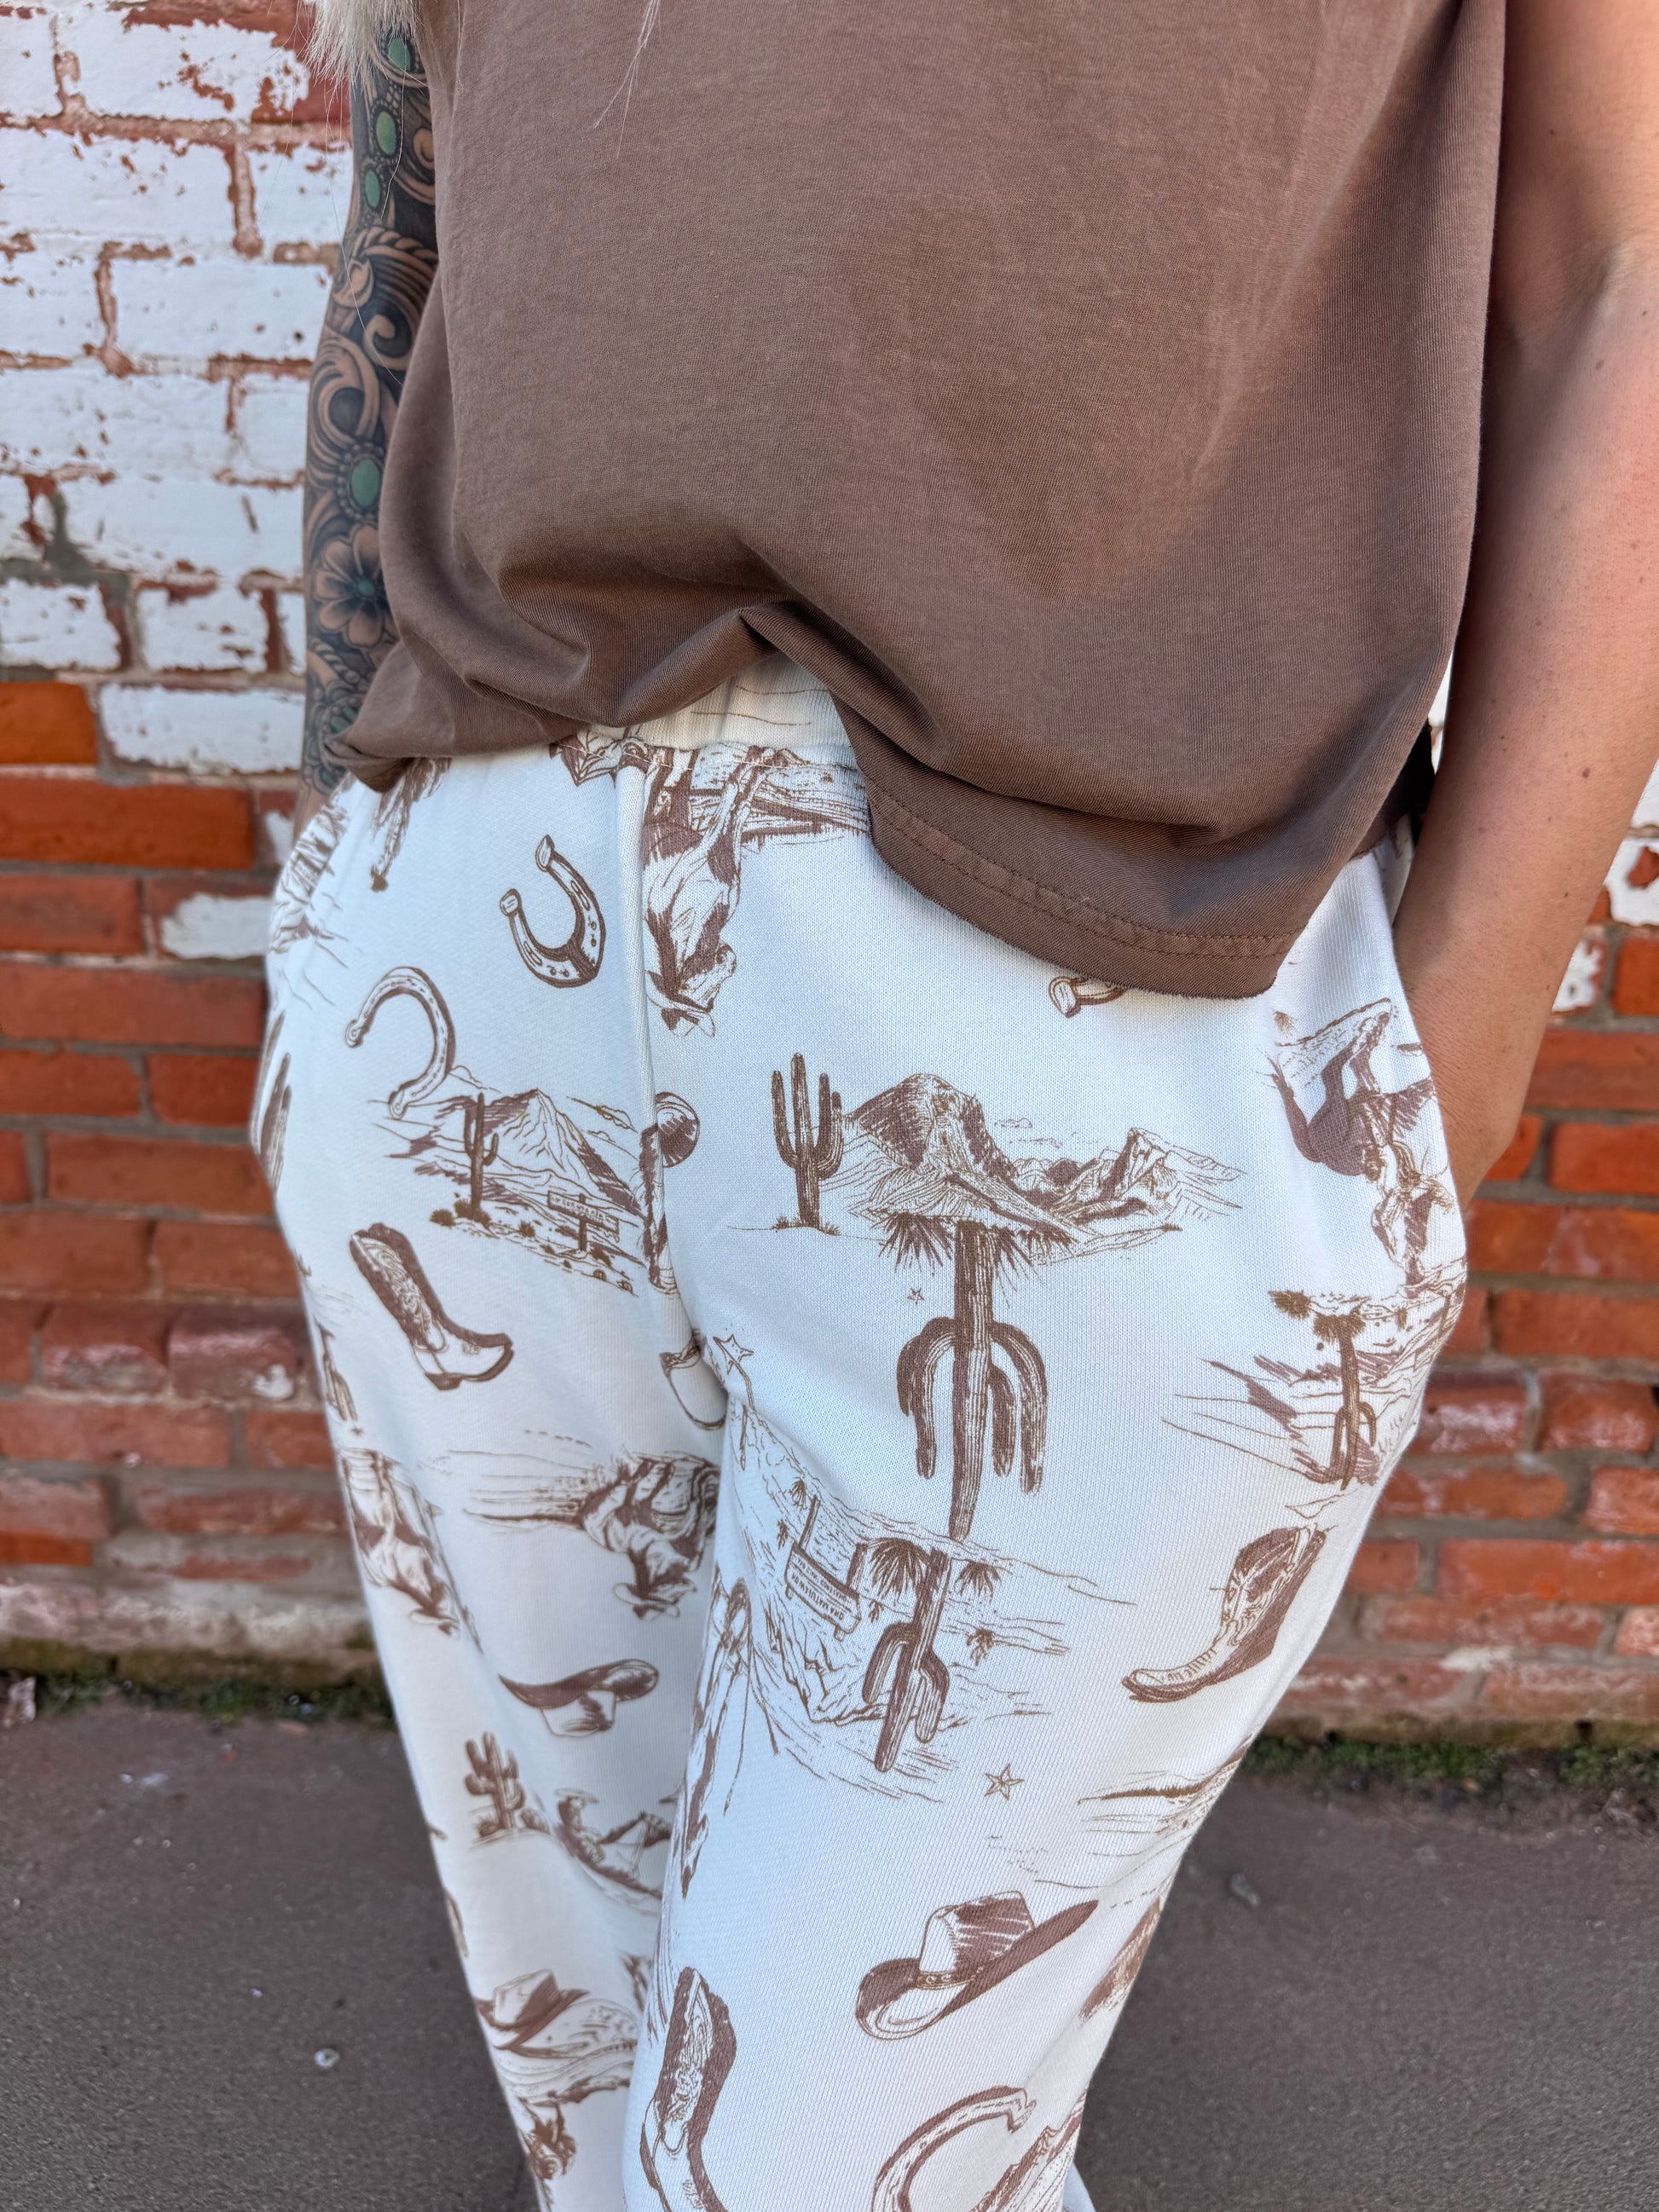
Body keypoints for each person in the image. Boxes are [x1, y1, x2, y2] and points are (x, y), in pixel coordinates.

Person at [267, 3, 1659, 2203]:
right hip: (482, 940)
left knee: (817, 2169)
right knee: (613, 2117)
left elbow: (1617, 264)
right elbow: (416, 170)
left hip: (1096, 988)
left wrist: (1441, 1062)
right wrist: (354, 857)